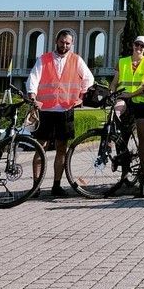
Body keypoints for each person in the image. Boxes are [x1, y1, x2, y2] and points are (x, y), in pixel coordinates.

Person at [27, 29, 94, 198]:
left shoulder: (76, 60)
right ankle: (36, 185)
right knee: (40, 147)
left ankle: (56, 185)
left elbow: (88, 78)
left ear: (71, 44)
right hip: (46, 109)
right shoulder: (44, 59)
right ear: (56, 41)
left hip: (65, 109)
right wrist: (32, 96)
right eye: (62, 42)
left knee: (61, 149)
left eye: (68, 43)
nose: (64, 45)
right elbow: (33, 78)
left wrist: (81, 95)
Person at [108, 34, 144, 196]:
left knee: (142, 137)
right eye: (137, 45)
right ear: (133, 45)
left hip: (140, 102)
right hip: (124, 100)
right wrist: (112, 93)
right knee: (118, 123)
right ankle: (110, 141)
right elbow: (114, 82)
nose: (139, 48)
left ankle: (143, 173)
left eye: (142, 46)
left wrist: (132, 94)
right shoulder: (122, 62)